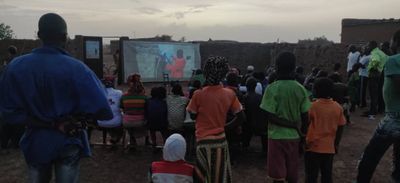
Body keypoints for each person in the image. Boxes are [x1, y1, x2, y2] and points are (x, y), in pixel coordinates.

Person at [0, 13, 113, 183]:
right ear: (64, 37)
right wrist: (76, 120)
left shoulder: (14, 67)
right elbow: (104, 110)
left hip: (36, 142)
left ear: (39, 35)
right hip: (67, 141)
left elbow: (8, 113)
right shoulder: (78, 69)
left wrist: (46, 123)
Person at [187, 56, 245, 183]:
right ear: (223, 74)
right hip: (221, 141)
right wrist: (225, 127)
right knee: (220, 175)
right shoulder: (229, 94)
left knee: (203, 176)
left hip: (202, 142)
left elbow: (192, 115)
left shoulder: (198, 94)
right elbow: (241, 117)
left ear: (206, 72)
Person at [260, 52, 311, 183]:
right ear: (294, 67)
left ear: (276, 67)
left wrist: (290, 124)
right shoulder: (300, 89)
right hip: (294, 137)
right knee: (292, 173)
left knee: (278, 177)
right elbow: (306, 117)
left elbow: (268, 115)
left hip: (276, 137)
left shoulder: (272, 89)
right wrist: (303, 135)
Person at [356, 30, 400, 183]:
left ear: (396, 42)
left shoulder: (393, 60)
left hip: (394, 118)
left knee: (369, 158)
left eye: (391, 41)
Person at [305, 78, 346, 183]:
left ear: (317, 91)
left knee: (311, 175)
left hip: (313, 146)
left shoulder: (312, 106)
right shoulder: (338, 107)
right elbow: (341, 126)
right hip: (329, 147)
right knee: (327, 175)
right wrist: (336, 144)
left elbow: (306, 123)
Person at [120, 73, 148, 150]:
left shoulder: (124, 96)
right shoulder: (144, 97)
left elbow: (122, 107)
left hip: (127, 122)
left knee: (128, 119)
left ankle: (132, 141)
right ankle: (147, 140)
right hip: (140, 122)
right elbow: (147, 108)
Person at [363, 41, 388, 116]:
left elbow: (376, 60)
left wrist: (371, 68)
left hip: (374, 73)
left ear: (372, 46)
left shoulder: (375, 52)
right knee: (376, 92)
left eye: (368, 46)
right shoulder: (380, 52)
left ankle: (372, 111)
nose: (368, 47)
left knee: (373, 93)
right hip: (379, 73)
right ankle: (374, 110)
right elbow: (386, 58)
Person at [97, 76, 123, 147]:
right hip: (115, 122)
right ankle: (116, 137)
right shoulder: (119, 93)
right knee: (119, 118)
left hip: (100, 122)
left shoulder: (98, 93)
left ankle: (113, 137)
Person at [242, 77, 267, 152]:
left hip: (247, 125)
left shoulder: (244, 98)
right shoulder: (261, 97)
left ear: (246, 86)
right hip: (260, 124)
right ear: (256, 86)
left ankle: (245, 145)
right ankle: (265, 149)